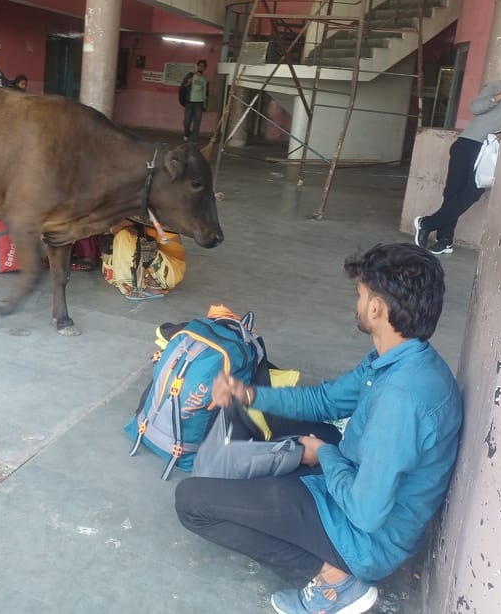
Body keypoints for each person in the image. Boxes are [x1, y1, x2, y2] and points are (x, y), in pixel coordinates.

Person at [174, 243, 462, 614]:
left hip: (364, 538)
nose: (358, 304)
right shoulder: (402, 360)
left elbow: (366, 512)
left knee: (192, 501)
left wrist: (324, 454)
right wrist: (246, 394)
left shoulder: (401, 401)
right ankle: (280, 487)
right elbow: (325, 400)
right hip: (359, 480)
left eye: (360, 295)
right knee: (278, 419)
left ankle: (333, 580)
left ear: (377, 308)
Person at [414, 80, 501, 255]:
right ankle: (445, 240)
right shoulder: (499, 86)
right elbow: (475, 108)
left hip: (489, 151)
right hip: (468, 142)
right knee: (453, 191)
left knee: (473, 192)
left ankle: (427, 223)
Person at [101, 219, 185, 300]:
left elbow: (114, 229)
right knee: (118, 238)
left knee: (124, 236)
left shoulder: (155, 216)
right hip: (157, 269)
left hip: (169, 271)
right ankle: (134, 282)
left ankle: (153, 286)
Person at [179, 59, 210, 142]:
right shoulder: (190, 75)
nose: (201, 67)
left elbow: (206, 93)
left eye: (203, 66)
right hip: (189, 102)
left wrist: (205, 104)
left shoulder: (205, 79)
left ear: (205, 68)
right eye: (200, 66)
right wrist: (188, 83)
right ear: (197, 66)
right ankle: (187, 133)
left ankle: (194, 138)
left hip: (199, 103)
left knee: (197, 121)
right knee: (186, 121)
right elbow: (182, 87)